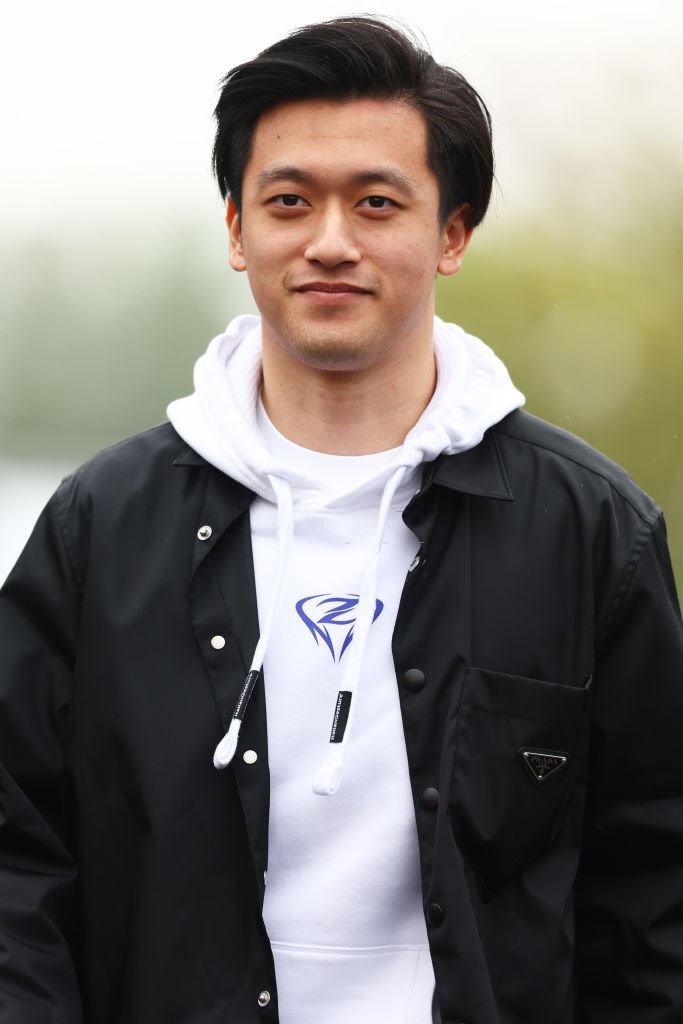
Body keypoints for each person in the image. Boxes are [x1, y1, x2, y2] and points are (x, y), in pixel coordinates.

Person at [1, 15, 682, 1024]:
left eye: (375, 202)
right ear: (236, 229)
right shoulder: (100, 529)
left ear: (450, 234)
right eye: (289, 201)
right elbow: (19, 863)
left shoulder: (588, 533)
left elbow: (653, 895)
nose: (329, 241)